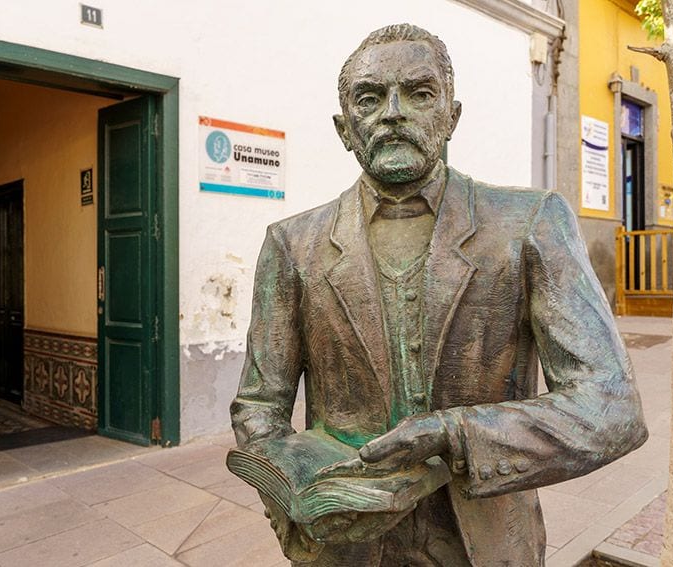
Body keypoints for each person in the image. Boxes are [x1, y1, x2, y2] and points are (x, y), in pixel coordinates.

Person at [230, 23, 648, 566]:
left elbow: (612, 406)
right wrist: (290, 492)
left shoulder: (528, 224)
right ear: (345, 128)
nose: (393, 112)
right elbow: (260, 406)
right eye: (370, 98)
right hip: (343, 546)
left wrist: (457, 434)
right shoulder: (292, 244)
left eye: (419, 93)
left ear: (451, 116)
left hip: (485, 542)